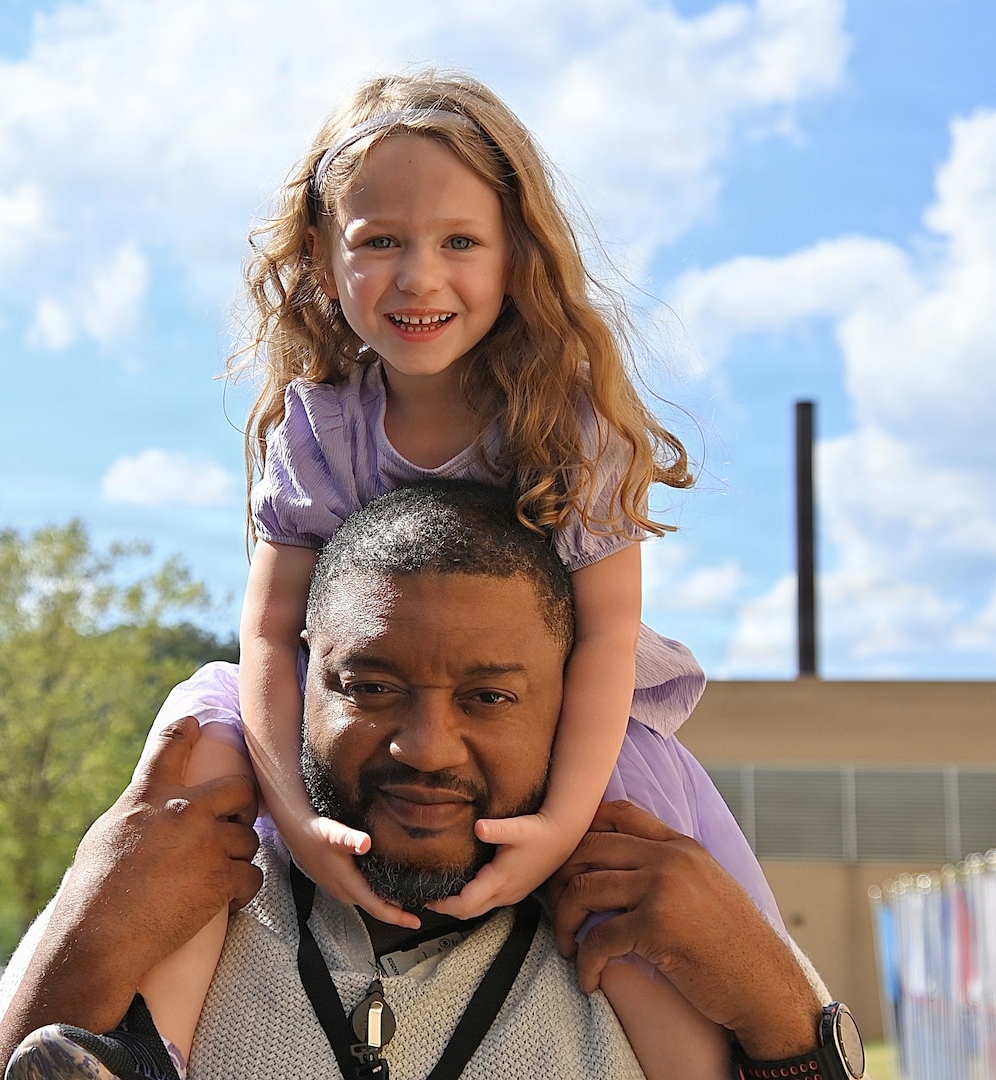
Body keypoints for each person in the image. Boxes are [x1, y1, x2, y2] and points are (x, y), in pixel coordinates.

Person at [131, 71, 763, 1079]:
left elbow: (603, 635)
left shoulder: (567, 420)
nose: (420, 276)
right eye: (381, 240)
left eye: (459, 242)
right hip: (355, 710)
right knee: (197, 742)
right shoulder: (321, 424)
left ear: (516, 255)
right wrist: (289, 812)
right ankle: (132, 1049)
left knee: (630, 868)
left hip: (555, 717)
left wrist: (558, 826)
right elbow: (269, 633)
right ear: (321, 259)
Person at [0, 482, 852, 1080]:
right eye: (371, 686)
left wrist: (773, 1003)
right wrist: (88, 941)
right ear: (299, 676)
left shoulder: (659, 928)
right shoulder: (169, 883)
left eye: (490, 695)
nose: (427, 747)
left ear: (576, 698)